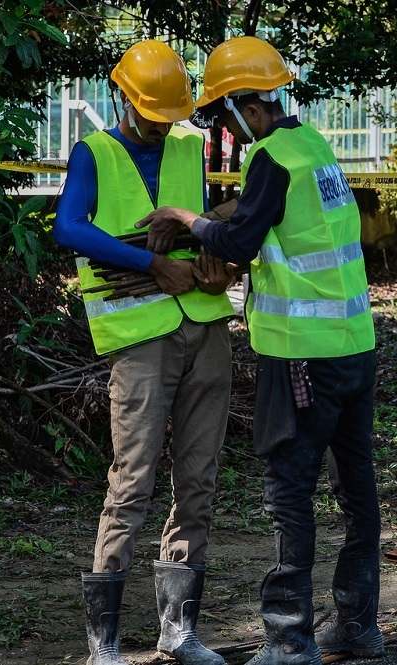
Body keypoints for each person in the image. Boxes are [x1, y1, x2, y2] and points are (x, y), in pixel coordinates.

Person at [134, 36, 382, 665]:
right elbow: (275, 220)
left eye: (221, 114)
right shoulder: (313, 147)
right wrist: (225, 214)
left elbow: (242, 239)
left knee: (289, 491)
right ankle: (357, 623)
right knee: (357, 491)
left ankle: (289, 638)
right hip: (355, 348)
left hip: (300, 356)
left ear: (248, 103)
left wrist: (189, 220)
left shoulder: (270, 155)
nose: (223, 128)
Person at [53, 40, 236, 665]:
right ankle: (103, 646)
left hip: (206, 327)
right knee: (131, 482)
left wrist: (216, 268)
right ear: (124, 99)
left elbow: (207, 224)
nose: (163, 125)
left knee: (199, 482)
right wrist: (151, 264)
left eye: (170, 115)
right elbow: (69, 228)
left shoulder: (190, 145)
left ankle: (178, 633)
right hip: (140, 342)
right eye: (153, 114)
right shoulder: (95, 152)